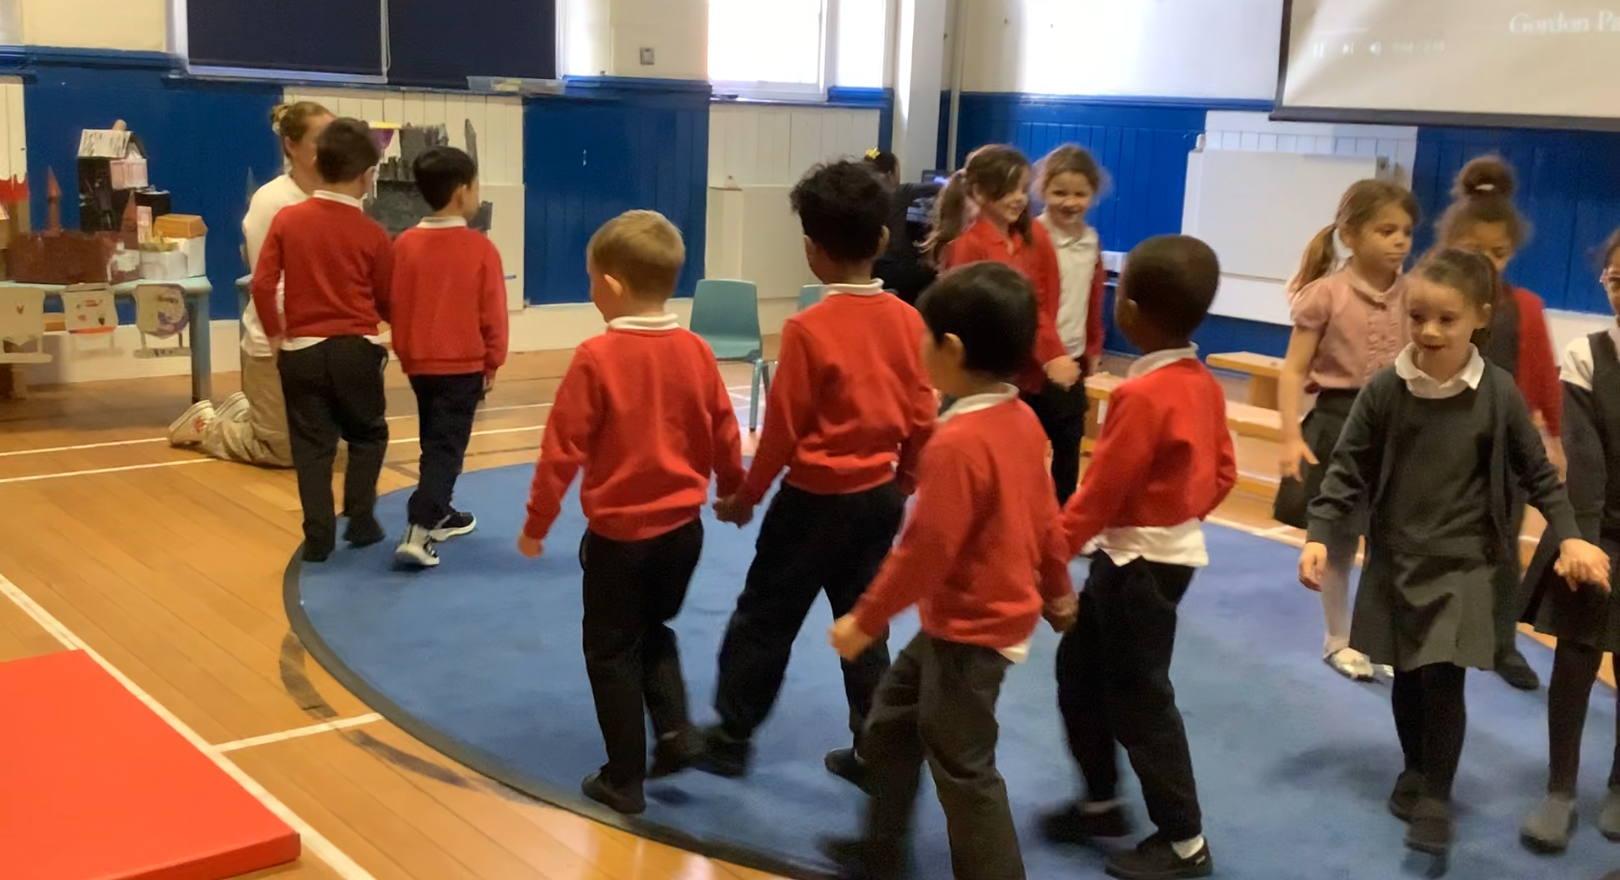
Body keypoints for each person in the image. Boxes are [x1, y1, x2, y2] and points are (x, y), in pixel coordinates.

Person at [1299, 247, 1610, 859]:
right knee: (1408, 674)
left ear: (1480, 318)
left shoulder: (1497, 392)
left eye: (1447, 319)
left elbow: (1540, 475)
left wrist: (1572, 534)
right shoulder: (1385, 389)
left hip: (1466, 563)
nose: (1430, 331)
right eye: (1418, 317)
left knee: (1442, 675)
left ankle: (1437, 795)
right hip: (1397, 557)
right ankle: (1414, 767)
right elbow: (1346, 468)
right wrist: (1317, 532)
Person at [821, 261, 1076, 880]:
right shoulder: (1021, 421)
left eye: (925, 336)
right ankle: (881, 852)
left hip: (973, 628)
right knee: (890, 726)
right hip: (962, 622)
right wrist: (1058, 588)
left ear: (952, 350)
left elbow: (924, 552)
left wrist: (865, 620)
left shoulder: (957, 444)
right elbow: (1047, 517)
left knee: (963, 764)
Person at [705, 161, 937, 788]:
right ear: (882, 239)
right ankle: (877, 750)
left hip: (812, 503)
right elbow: (924, 415)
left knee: (764, 619)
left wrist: (747, 496)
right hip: (878, 498)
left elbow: (783, 432)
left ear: (811, 250)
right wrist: (904, 482)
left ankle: (730, 738)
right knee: (864, 624)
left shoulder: (808, 329)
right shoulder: (909, 321)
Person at [517, 210, 745, 816]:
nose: (590, 289)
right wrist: (734, 491)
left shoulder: (597, 356)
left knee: (610, 652)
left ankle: (623, 778)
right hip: (683, 534)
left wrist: (537, 523)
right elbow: (725, 429)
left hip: (620, 539)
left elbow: (561, 449)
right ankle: (675, 732)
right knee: (653, 629)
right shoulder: (696, 350)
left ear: (612, 286)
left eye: (591, 279)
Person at [1047, 235, 1232, 880]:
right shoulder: (1202, 383)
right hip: (1150, 558)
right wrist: (1180, 510)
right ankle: (1101, 803)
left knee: (1140, 702)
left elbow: (1098, 495)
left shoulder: (1141, 396)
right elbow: (1225, 472)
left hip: (1137, 566)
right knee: (1080, 674)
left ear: (1128, 309)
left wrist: (1047, 561)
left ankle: (1185, 843)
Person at [1275, 179, 1419, 682]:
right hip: (1339, 421)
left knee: (1389, 537)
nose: (1399, 241)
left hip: (1399, 425)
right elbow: (1294, 370)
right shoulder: (1326, 295)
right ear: (1351, 235)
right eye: (1386, 230)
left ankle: (1377, 636)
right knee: (1338, 537)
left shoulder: (1415, 294)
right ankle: (1338, 639)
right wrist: (1290, 435)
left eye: (1406, 231)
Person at [1436, 154, 1563, 692]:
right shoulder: (1435, 302)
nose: (1486, 262)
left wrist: (1555, 437)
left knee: (1504, 550)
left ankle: (1502, 643)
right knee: (1437, 544)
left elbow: (1545, 380)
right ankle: (1434, 631)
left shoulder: (1524, 307)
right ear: (1451, 245)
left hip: (1505, 453)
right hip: (1441, 447)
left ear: (1511, 251)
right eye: (1473, 249)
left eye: (1498, 252)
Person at [250, 118, 393, 563]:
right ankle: (361, 519)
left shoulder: (288, 220)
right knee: (368, 435)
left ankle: (318, 537)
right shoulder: (373, 233)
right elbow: (387, 298)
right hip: (355, 350)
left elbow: (261, 284)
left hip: (301, 352)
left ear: (318, 162)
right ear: (366, 176)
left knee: (311, 449)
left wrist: (276, 334)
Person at [1518, 228, 1620, 853]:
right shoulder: (1588, 355)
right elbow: (1585, 463)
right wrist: (1580, 543)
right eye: (1618, 278)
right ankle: (1560, 789)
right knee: (1576, 657)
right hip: (1594, 531)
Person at [169, 101, 333, 465]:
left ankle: (247, 412)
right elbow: (267, 280)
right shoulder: (271, 201)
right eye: (320, 138)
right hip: (278, 345)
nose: (331, 146)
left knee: (331, 445)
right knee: (284, 452)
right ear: (291, 145)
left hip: (326, 344)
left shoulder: (342, 196)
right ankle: (207, 426)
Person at [933, 144, 1083, 501]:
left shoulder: (1033, 237)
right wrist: (1049, 355)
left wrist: (1051, 353)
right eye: (1008, 190)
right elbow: (976, 317)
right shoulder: (968, 246)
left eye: (1022, 189)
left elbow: (1042, 305)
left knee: (1044, 441)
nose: (1018, 198)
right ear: (979, 193)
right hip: (982, 371)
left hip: (1023, 367)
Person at [389, 146, 510, 567]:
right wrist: (492, 361)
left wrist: (406, 353)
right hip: (462, 366)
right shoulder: (480, 249)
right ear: (462, 192)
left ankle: (440, 512)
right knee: (447, 448)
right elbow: (493, 312)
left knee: (433, 440)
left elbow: (397, 305)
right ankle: (418, 529)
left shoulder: (405, 244)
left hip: (420, 365)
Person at [1031, 143, 1108, 505]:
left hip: (1073, 357)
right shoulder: (1034, 236)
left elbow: (1094, 299)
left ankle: (1063, 515)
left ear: (1093, 194)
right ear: (1043, 190)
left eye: (1080, 194)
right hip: (1036, 360)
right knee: (1028, 444)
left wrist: (1093, 347)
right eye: (1059, 192)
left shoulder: (1090, 241)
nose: (1070, 202)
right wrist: (1050, 354)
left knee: (1069, 442)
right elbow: (1034, 304)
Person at [865, 148, 939, 306]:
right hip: (896, 266)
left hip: (871, 266)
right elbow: (937, 188)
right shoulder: (902, 191)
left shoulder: (863, 195)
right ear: (891, 173)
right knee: (932, 274)